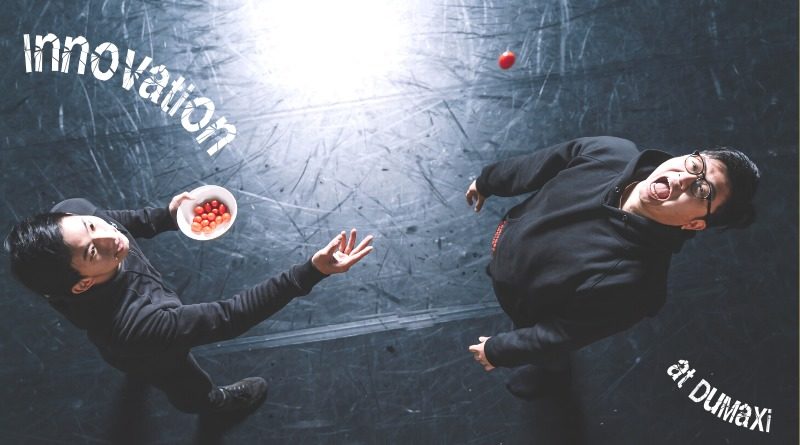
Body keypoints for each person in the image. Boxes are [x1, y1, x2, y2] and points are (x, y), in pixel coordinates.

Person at [5, 194, 373, 414]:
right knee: (183, 381)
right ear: (83, 283)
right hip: (144, 349)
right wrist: (309, 273)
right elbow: (230, 316)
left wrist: (167, 215)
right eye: (91, 250)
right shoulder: (139, 327)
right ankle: (211, 404)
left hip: (124, 331)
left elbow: (121, 221)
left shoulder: (73, 211)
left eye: (89, 225)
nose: (107, 235)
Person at [465, 136, 759, 400]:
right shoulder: (607, 152)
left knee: (549, 353)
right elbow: (539, 164)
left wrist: (499, 350)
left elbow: (562, 334)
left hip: (534, 309)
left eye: (701, 189)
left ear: (694, 223)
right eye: (695, 164)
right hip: (506, 256)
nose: (684, 178)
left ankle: (551, 377)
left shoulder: (634, 284)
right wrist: (490, 181)